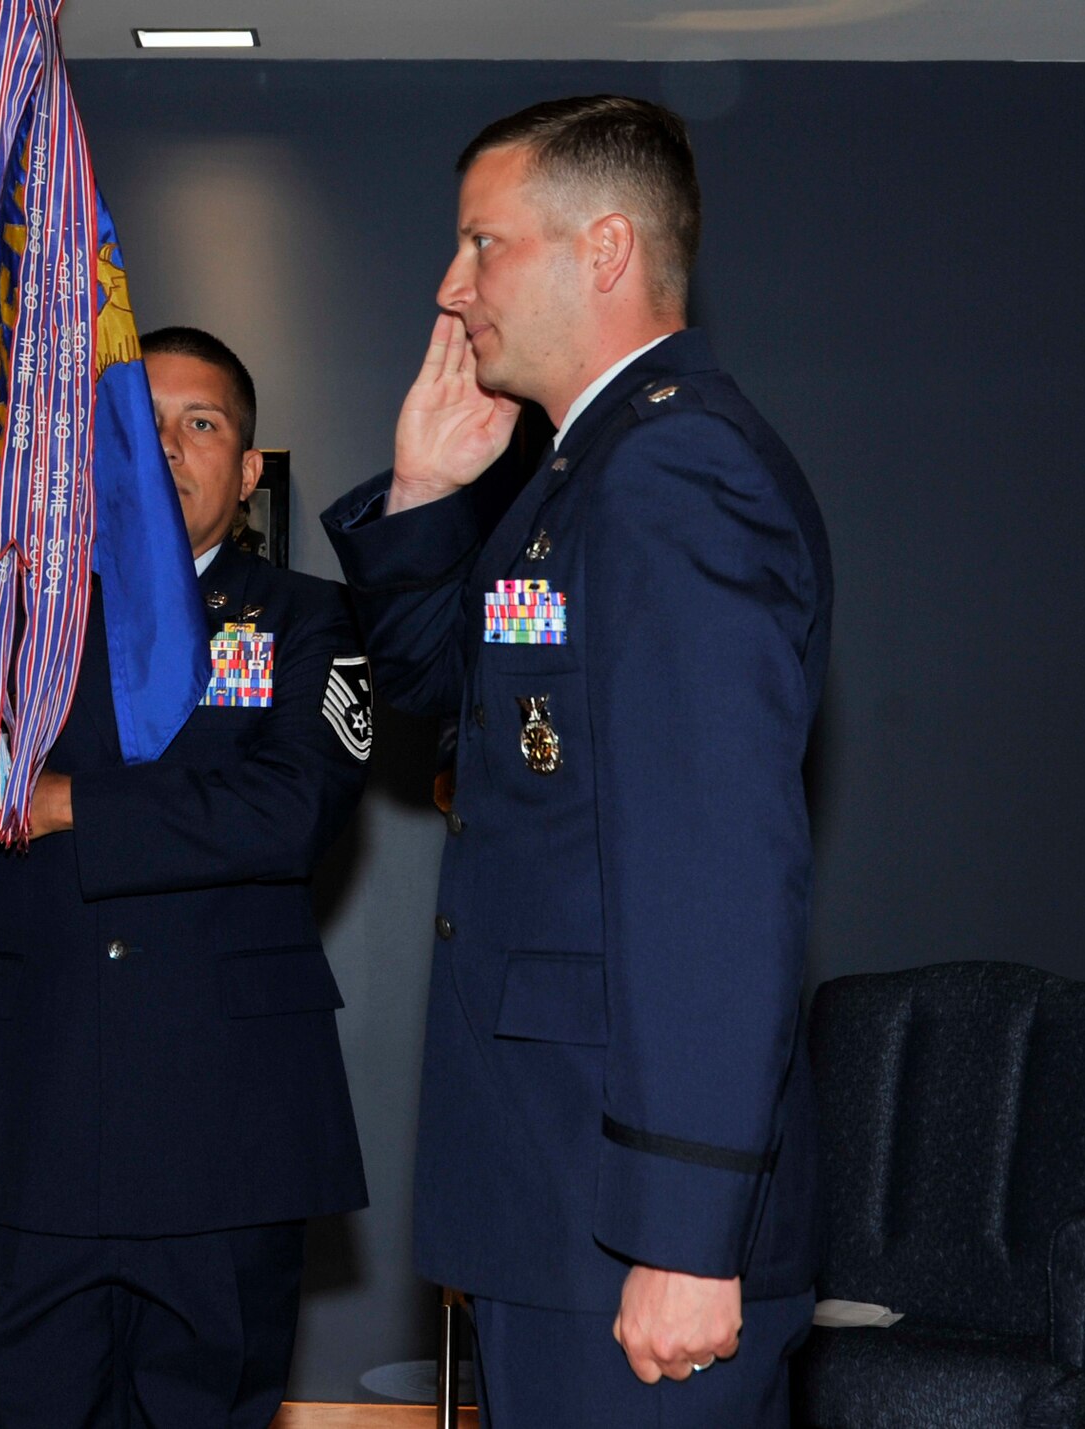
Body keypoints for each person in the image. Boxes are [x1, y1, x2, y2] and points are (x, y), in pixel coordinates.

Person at [322, 96, 832, 1426]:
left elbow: (714, 873)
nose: (451, 287)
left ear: (604, 249)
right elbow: (446, 697)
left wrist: (685, 1232)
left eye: (481, 244)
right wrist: (425, 497)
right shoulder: (579, 478)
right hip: (556, 1198)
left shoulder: (675, 470)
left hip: (631, 1223)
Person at [0, 328, 372, 1427]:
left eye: (201, 424)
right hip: (28, 1126)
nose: (169, 447)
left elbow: (289, 812)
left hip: (226, 1134)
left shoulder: (307, 620)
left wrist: (67, 803)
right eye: (138, 426)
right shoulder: (3, 629)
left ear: (248, 468)